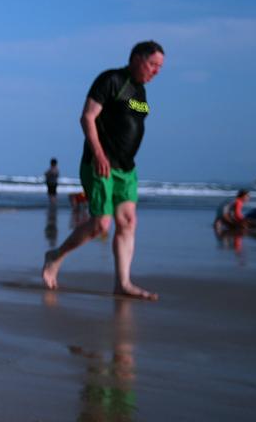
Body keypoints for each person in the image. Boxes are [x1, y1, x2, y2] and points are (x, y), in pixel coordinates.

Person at [43, 41, 166, 300]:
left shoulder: (140, 92)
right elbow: (87, 117)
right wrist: (99, 153)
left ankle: (123, 282)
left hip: (126, 168)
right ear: (136, 59)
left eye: (160, 67)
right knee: (101, 224)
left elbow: (131, 119)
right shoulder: (111, 80)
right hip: (101, 163)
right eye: (153, 64)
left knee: (128, 222)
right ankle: (55, 257)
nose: (156, 71)